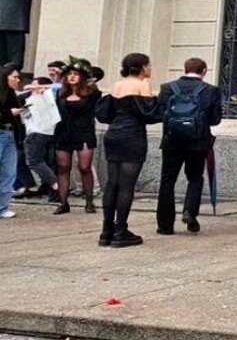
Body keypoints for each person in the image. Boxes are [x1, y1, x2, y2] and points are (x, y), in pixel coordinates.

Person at [94, 53, 164, 248]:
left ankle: (106, 230)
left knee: (112, 183)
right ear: (142, 67)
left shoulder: (118, 85)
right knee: (126, 186)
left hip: (113, 134)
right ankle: (120, 231)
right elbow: (150, 114)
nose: (150, 68)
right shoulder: (142, 85)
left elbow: (107, 112)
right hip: (132, 135)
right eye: (149, 65)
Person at [156, 57, 223, 235]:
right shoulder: (211, 90)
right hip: (198, 142)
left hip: (172, 140)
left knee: (167, 180)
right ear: (204, 71)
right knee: (195, 178)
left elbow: (160, 113)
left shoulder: (167, 88)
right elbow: (215, 119)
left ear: (185, 69)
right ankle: (190, 212)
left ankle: (165, 225)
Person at [53, 58, 101, 213]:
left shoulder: (91, 93)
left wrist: (90, 84)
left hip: (84, 132)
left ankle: (89, 201)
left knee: (84, 167)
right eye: (69, 74)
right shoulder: (61, 94)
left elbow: (97, 101)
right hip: (63, 132)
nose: (72, 76)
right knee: (63, 167)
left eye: (75, 74)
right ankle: (63, 202)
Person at [17, 75, 59, 209]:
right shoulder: (30, 98)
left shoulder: (47, 96)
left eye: (36, 85)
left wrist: (40, 88)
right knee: (33, 161)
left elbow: (58, 86)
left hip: (37, 133)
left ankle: (56, 185)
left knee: (34, 161)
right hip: (39, 132)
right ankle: (41, 186)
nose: (32, 88)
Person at [0, 64, 22, 219]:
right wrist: (9, 113)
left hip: (10, 134)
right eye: (14, 77)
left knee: (9, 172)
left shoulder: (12, 94)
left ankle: (2, 206)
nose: (17, 80)